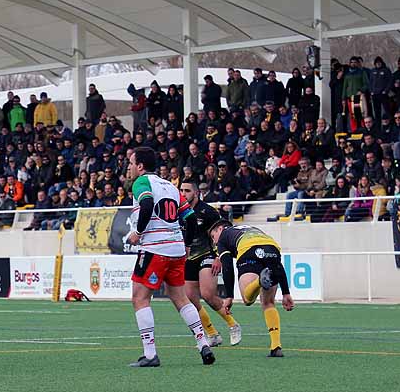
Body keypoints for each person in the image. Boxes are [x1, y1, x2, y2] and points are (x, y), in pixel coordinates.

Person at [125, 147, 215, 367]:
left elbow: (146, 205)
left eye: (130, 163)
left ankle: (149, 354)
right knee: (181, 298)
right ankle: (203, 344)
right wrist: (186, 245)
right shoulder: (170, 187)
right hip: (175, 249)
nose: (128, 168)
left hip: (155, 249)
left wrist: (137, 232)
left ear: (140, 166)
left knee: (140, 298)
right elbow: (191, 219)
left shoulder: (141, 183)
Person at [210, 220, 295, 357]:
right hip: (272, 249)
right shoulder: (252, 228)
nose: (214, 242)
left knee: (247, 299)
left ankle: (259, 281)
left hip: (249, 251)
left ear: (220, 229)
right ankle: (276, 346)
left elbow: (227, 266)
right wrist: (286, 293)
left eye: (213, 237)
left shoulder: (224, 236)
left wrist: (229, 296)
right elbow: (278, 265)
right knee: (268, 303)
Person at [179, 181, 242, 346]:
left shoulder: (208, 211)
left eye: (187, 190)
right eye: (181, 190)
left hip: (208, 254)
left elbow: (223, 234)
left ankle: (233, 325)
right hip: (188, 258)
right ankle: (213, 334)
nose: (183, 193)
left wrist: (218, 257)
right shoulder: (178, 211)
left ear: (196, 193)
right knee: (191, 299)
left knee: (207, 294)